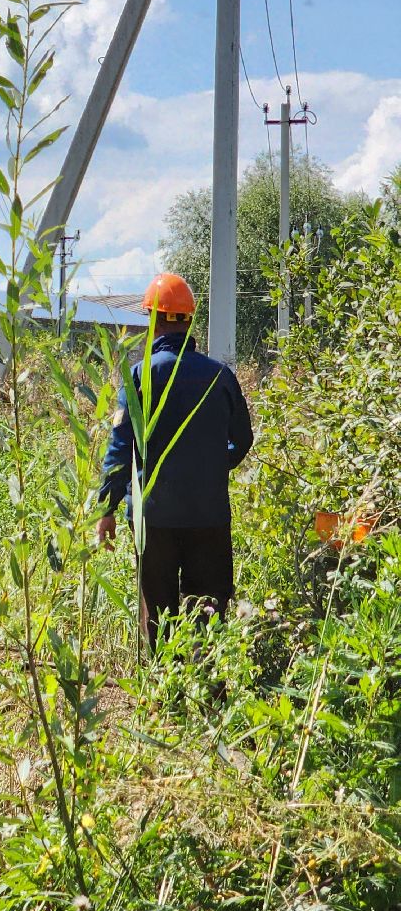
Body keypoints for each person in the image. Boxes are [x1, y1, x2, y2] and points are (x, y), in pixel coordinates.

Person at [97, 272, 253, 650]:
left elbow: (120, 448)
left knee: (159, 615)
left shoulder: (139, 377)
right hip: (209, 517)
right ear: (189, 320)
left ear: (153, 320)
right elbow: (243, 439)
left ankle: (165, 703)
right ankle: (211, 698)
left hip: (154, 520)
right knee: (208, 611)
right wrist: (213, 467)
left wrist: (107, 509)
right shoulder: (220, 376)